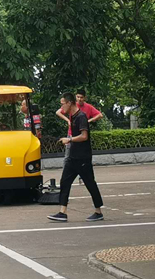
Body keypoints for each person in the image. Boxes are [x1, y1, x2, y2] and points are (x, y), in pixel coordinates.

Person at [48, 92, 104, 222]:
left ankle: (98, 211)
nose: (62, 107)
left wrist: (70, 139)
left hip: (83, 158)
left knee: (90, 183)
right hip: (72, 157)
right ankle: (62, 212)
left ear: (69, 103)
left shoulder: (81, 117)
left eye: (63, 104)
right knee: (64, 182)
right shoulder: (72, 116)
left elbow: (84, 136)